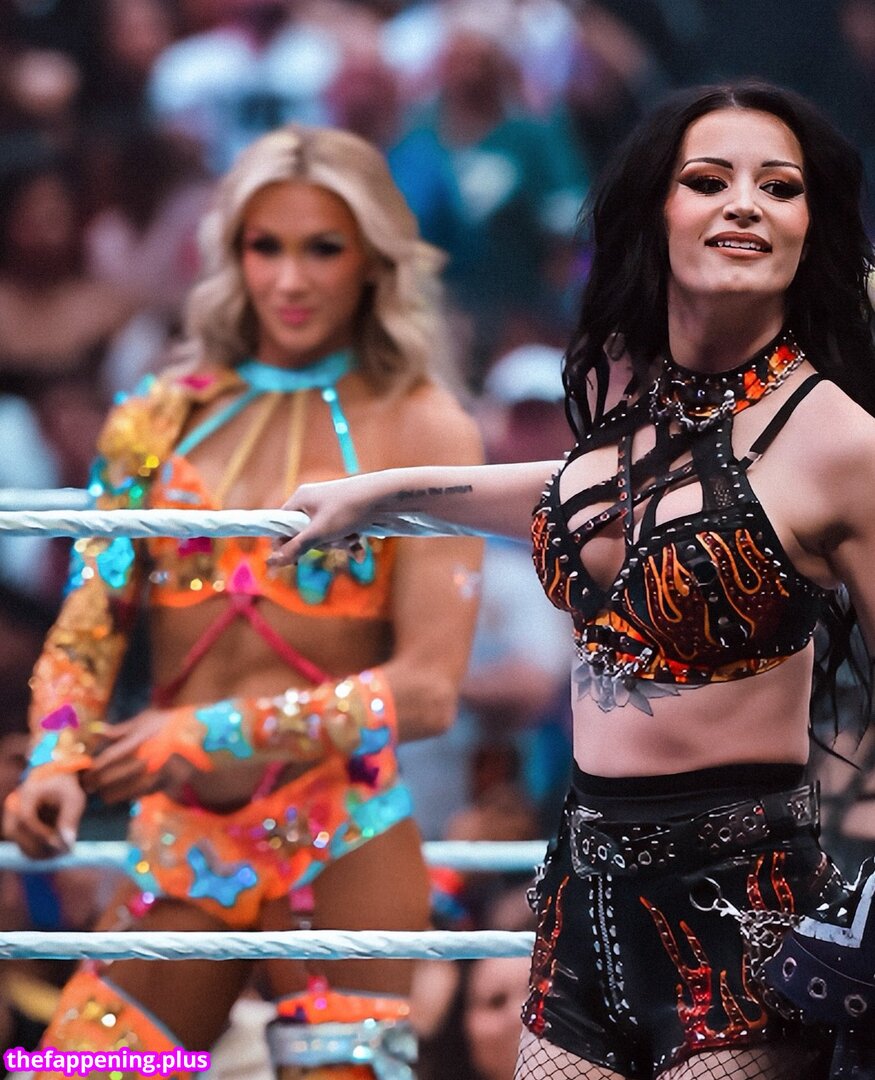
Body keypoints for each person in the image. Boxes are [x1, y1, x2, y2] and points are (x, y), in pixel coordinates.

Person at [266, 82, 875, 1079]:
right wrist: (381, 491)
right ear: (654, 212)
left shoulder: (839, 441)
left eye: (778, 187)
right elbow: (569, 497)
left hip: (739, 909)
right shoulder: (645, 419)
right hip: (578, 901)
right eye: (707, 180)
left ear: (810, 227)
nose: (744, 204)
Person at [2, 122, 483, 1080]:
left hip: (345, 839)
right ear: (231, 253)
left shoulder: (426, 426)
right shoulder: (155, 414)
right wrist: (56, 758)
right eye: (266, 247)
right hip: (181, 846)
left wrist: (202, 733)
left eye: (323, 248)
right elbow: (90, 621)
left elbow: (428, 692)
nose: (290, 280)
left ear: (372, 259)